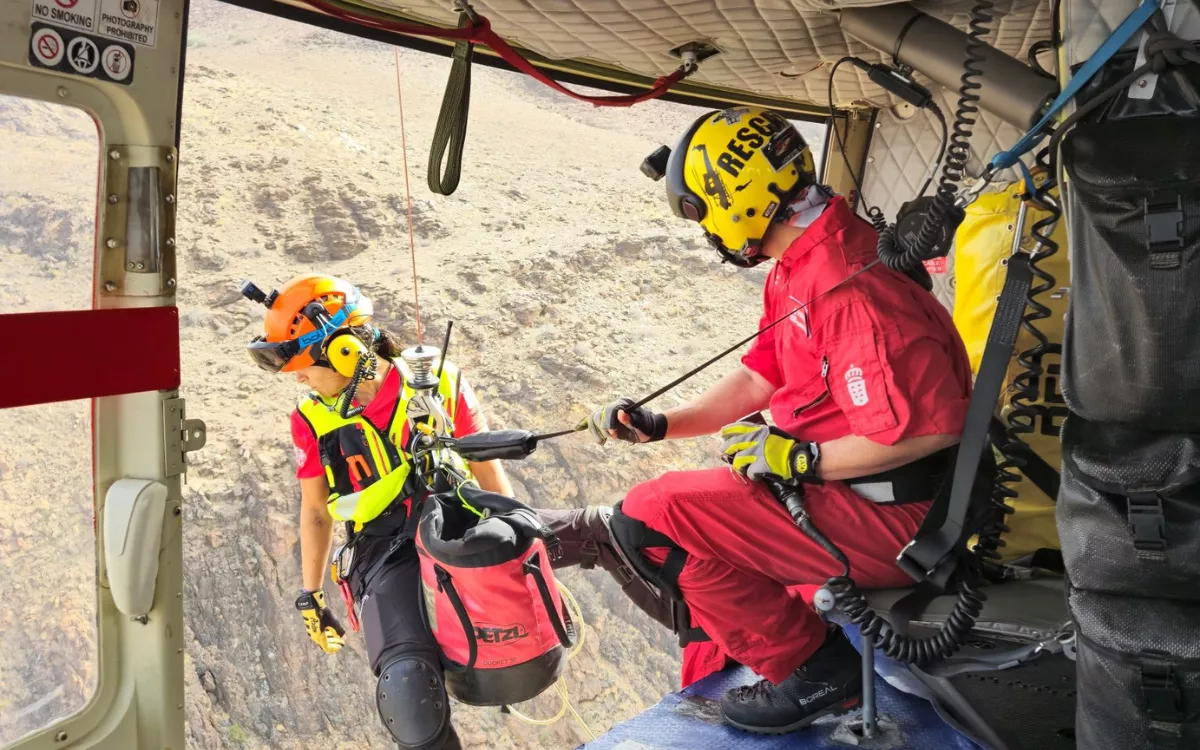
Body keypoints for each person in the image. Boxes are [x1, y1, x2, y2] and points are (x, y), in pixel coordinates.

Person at [581, 106, 973, 735]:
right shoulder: (803, 259)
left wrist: (802, 459)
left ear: (738, 202)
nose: (706, 230)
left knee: (649, 520)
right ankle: (776, 666)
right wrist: (662, 424)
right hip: (836, 492)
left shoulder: (848, 286)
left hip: (890, 518)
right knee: (706, 581)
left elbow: (931, 428)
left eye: (703, 212)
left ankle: (820, 669)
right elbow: (763, 377)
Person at [241, 273, 670, 749]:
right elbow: (316, 511)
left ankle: (712, 640)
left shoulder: (439, 378)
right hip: (385, 549)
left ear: (343, 351)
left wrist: (518, 529)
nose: (298, 378)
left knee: (611, 529)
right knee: (407, 692)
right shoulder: (311, 420)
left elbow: (484, 466)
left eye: (302, 366)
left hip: (462, 517)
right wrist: (310, 594)